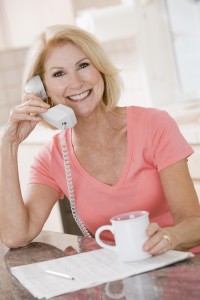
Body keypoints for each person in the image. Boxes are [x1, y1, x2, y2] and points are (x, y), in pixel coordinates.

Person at [0, 24, 200, 256]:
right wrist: (9, 144)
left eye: (83, 66)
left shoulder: (154, 125)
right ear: (41, 90)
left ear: (100, 69)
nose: (76, 82)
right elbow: (16, 236)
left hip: (184, 263)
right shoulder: (51, 158)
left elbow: (194, 222)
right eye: (58, 73)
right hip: (120, 278)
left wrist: (170, 238)